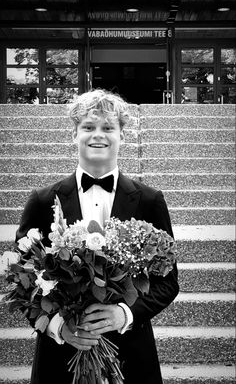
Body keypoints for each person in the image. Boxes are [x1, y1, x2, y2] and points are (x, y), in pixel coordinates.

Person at [16, 89, 179, 384]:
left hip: (130, 352)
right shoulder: (42, 200)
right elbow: (22, 281)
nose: (98, 135)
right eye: (88, 127)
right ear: (74, 135)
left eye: (108, 128)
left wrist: (124, 314)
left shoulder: (150, 200)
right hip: (60, 356)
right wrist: (57, 326)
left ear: (123, 137)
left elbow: (167, 283)